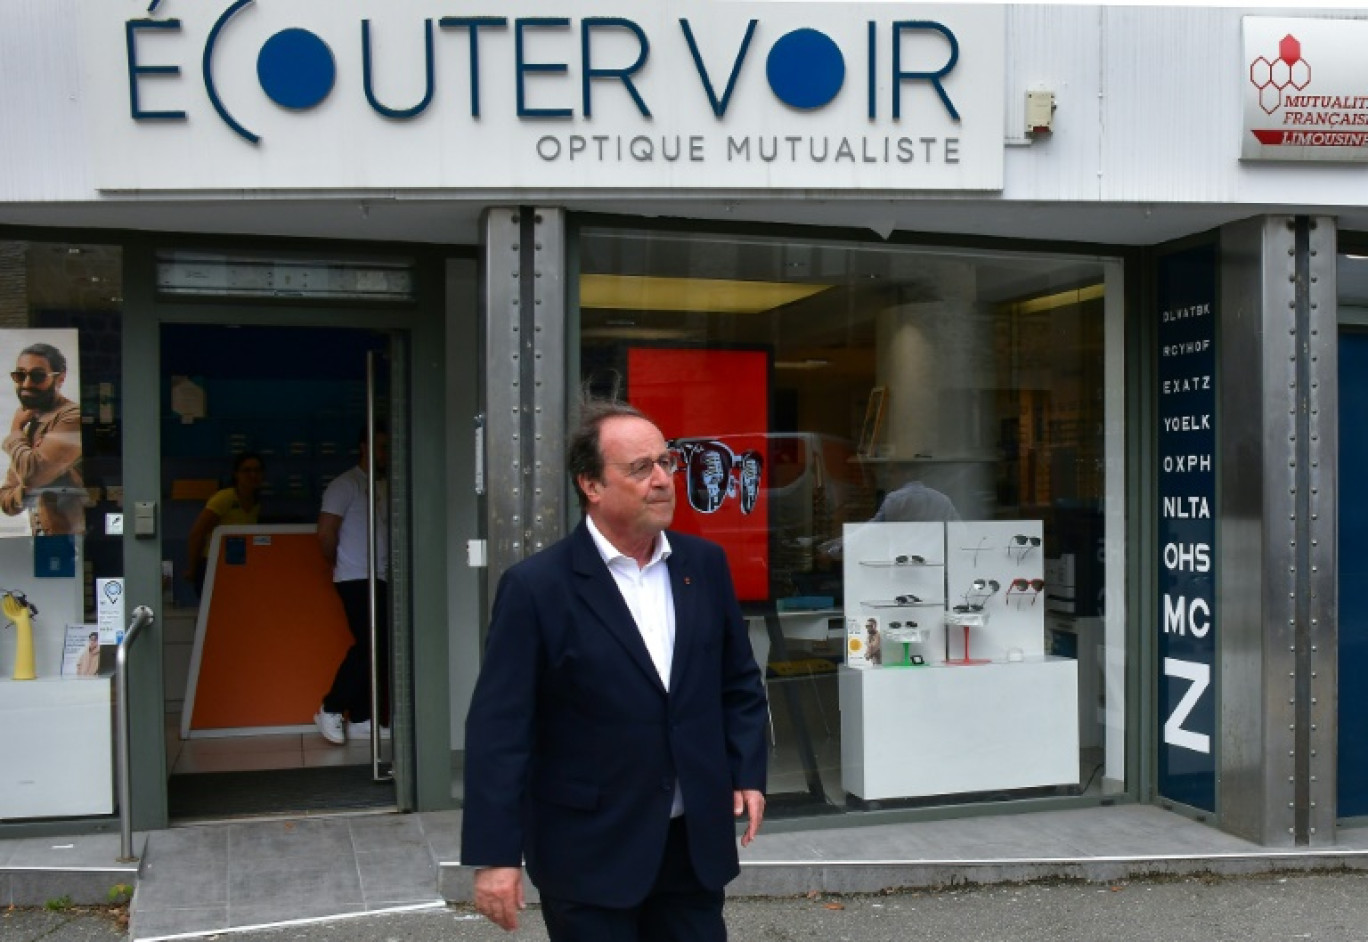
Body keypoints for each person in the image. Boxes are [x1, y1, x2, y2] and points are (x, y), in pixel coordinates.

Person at [461, 399, 769, 941]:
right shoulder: (537, 588)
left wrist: (747, 771)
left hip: (690, 846)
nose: (662, 480)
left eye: (667, 463)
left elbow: (736, 681)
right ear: (591, 485)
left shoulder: (703, 566)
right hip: (589, 852)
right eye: (639, 468)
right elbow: (500, 729)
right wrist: (494, 856)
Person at [313, 428, 389, 745]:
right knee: (370, 644)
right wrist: (338, 562)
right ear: (364, 445)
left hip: (380, 574)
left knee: (378, 646)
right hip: (355, 576)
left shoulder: (384, 485)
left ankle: (360, 717)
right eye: (383, 446)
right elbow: (325, 532)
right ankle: (330, 707)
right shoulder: (345, 485)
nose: (387, 453)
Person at [0, 342, 85, 535]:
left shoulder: (71, 417)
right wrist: (28, 488)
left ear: (60, 378)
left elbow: (32, 474)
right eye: (20, 375)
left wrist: (15, 431)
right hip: (43, 541)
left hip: (72, 542)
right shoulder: (31, 424)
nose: (27, 384)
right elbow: (5, 500)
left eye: (37, 376)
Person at [184, 453, 265, 599]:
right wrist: (193, 569)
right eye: (247, 470)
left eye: (257, 470)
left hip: (237, 565)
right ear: (236, 474)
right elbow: (197, 533)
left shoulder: (256, 502)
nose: (253, 475)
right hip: (213, 564)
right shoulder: (224, 498)